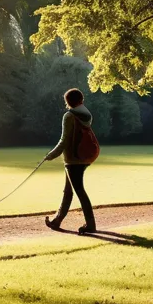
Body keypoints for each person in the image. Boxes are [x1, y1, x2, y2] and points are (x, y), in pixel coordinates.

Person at [44, 88, 97, 234]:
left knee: (79, 191)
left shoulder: (69, 116)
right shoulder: (86, 115)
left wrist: (51, 155)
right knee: (68, 191)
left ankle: (91, 225)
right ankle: (57, 221)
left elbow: (64, 141)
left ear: (67, 101)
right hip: (84, 157)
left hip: (73, 158)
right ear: (81, 100)